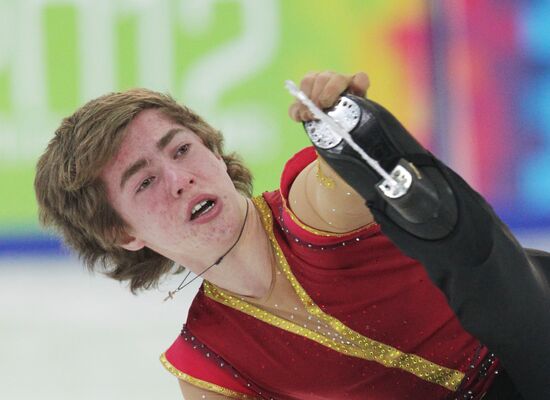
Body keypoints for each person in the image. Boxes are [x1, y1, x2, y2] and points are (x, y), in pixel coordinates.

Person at [34, 71, 549, 399]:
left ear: (213, 151)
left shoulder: (309, 206)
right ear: (122, 233)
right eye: (144, 181)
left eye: (181, 149)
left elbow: (345, 178)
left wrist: (346, 127)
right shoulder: (209, 366)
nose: (178, 178)